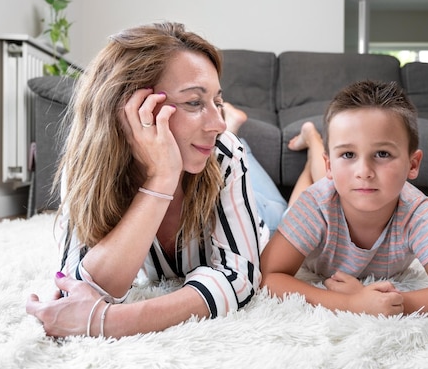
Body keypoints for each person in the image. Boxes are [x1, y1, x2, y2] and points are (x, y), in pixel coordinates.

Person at [26, 22, 268, 338]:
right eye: (194, 102)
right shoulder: (84, 167)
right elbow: (81, 288)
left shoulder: (223, 151)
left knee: (282, 211)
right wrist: (161, 179)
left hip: (262, 214)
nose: (216, 124)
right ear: (132, 108)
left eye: (216, 102)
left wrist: (108, 322)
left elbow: (240, 279)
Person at [259, 80, 428, 322]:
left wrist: (388, 303)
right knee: (306, 195)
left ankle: (314, 150)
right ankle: (313, 142)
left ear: (413, 164)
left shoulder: (416, 212)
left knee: (338, 183)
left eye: (382, 154)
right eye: (348, 154)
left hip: (333, 190)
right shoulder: (315, 204)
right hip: (312, 204)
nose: (364, 171)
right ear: (330, 164)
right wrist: (351, 303)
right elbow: (266, 276)